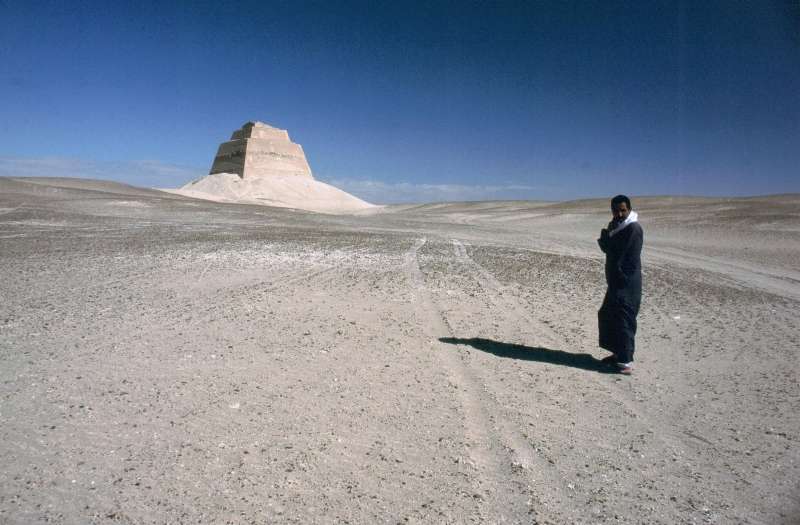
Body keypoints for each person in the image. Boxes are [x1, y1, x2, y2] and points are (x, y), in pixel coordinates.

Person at [597, 195, 643, 374]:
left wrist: (621, 278)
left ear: (629, 209)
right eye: (616, 211)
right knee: (608, 315)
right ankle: (617, 353)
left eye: (623, 210)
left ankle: (625, 362)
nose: (620, 214)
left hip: (626, 283)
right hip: (616, 282)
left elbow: (626, 258)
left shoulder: (633, 229)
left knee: (624, 318)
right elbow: (609, 249)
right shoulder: (616, 226)